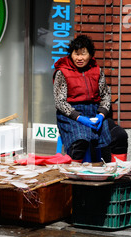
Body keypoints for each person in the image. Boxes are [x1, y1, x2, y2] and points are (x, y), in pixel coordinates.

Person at [53, 35, 113, 163]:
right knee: (81, 140)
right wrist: (79, 118)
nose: (79, 58)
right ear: (71, 54)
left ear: (90, 55)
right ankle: (75, 178)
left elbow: (105, 96)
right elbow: (60, 101)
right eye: (76, 54)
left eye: (83, 54)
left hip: (95, 112)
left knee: (117, 137)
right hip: (70, 116)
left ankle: (110, 174)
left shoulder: (97, 70)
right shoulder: (62, 72)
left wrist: (101, 115)